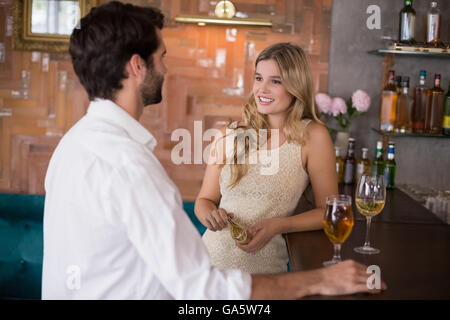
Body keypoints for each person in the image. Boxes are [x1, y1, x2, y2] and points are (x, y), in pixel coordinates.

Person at [42, 1, 385, 299]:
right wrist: (319, 281)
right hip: (218, 271)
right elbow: (200, 286)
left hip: (255, 268)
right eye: (161, 58)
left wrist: (278, 227)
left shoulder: (73, 144)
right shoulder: (130, 165)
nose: (166, 68)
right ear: (137, 66)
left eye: (275, 80)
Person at [195, 42, 338, 274]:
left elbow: (330, 212)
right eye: (259, 78)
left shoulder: (314, 137)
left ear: (295, 86)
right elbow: (204, 200)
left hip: (267, 273)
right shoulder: (228, 134)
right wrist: (210, 215)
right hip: (209, 265)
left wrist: (279, 226)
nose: (262, 89)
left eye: (275, 81)